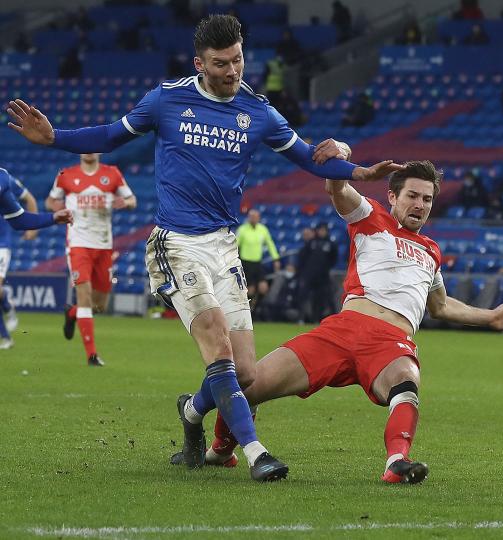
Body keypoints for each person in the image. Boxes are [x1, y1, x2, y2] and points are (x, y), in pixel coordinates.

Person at [6, 13, 399, 482]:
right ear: (200, 63)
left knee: (246, 373)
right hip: (175, 243)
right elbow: (110, 136)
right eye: (220, 63)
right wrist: (54, 138)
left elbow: (309, 159)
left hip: (223, 248)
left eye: (237, 60)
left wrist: (359, 172)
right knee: (218, 345)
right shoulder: (166, 100)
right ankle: (256, 453)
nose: (232, 71)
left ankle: (192, 411)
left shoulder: (258, 112)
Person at [190, 160, 503, 484]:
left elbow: (440, 305)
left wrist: (490, 316)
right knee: (249, 384)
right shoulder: (370, 216)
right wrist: (343, 161)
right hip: (342, 330)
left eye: (427, 199)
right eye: (412, 195)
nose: (420, 205)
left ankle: (397, 462)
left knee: (405, 383)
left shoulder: (431, 251)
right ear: (392, 196)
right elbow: (337, 189)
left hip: (390, 343)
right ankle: (220, 449)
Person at [47, 153, 136, 366]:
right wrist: (57, 208)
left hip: (103, 245)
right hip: (78, 244)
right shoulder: (65, 174)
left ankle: (72, 312)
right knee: (84, 296)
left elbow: (133, 200)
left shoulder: (112, 173)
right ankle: (92, 355)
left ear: (99, 151)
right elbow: (50, 200)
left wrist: (124, 202)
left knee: (100, 305)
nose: (89, 151)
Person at [0, 175, 41, 349]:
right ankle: (6, 307)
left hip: (1, 244)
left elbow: (29, 199)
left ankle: (6, 335)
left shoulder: (4, 178)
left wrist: (32, 228)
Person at [236, 208, 281, 317]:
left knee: (263, 288)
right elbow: (236, 245)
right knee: (250, 290)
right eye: (251, 217)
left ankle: (255, 309)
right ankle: (247, 313)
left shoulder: (263, 229)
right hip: (246, 263)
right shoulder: (242, 230)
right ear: (248, 218)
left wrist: (276, 259)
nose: (253, 219)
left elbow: (270, 244)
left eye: (255, 217)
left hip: (258, 263)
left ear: (259, 218)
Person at [296, 223, 337, 323]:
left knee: (320, 298)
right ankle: (301, 317)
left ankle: (317, 318)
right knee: (303, 296)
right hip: (309, 275)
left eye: (323, 230)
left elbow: (334, 258)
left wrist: (326, 268)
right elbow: (303, 257)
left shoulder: (331, 244)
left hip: (323, 276)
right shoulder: (312, 242)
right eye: (320, 230)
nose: (321, 232)